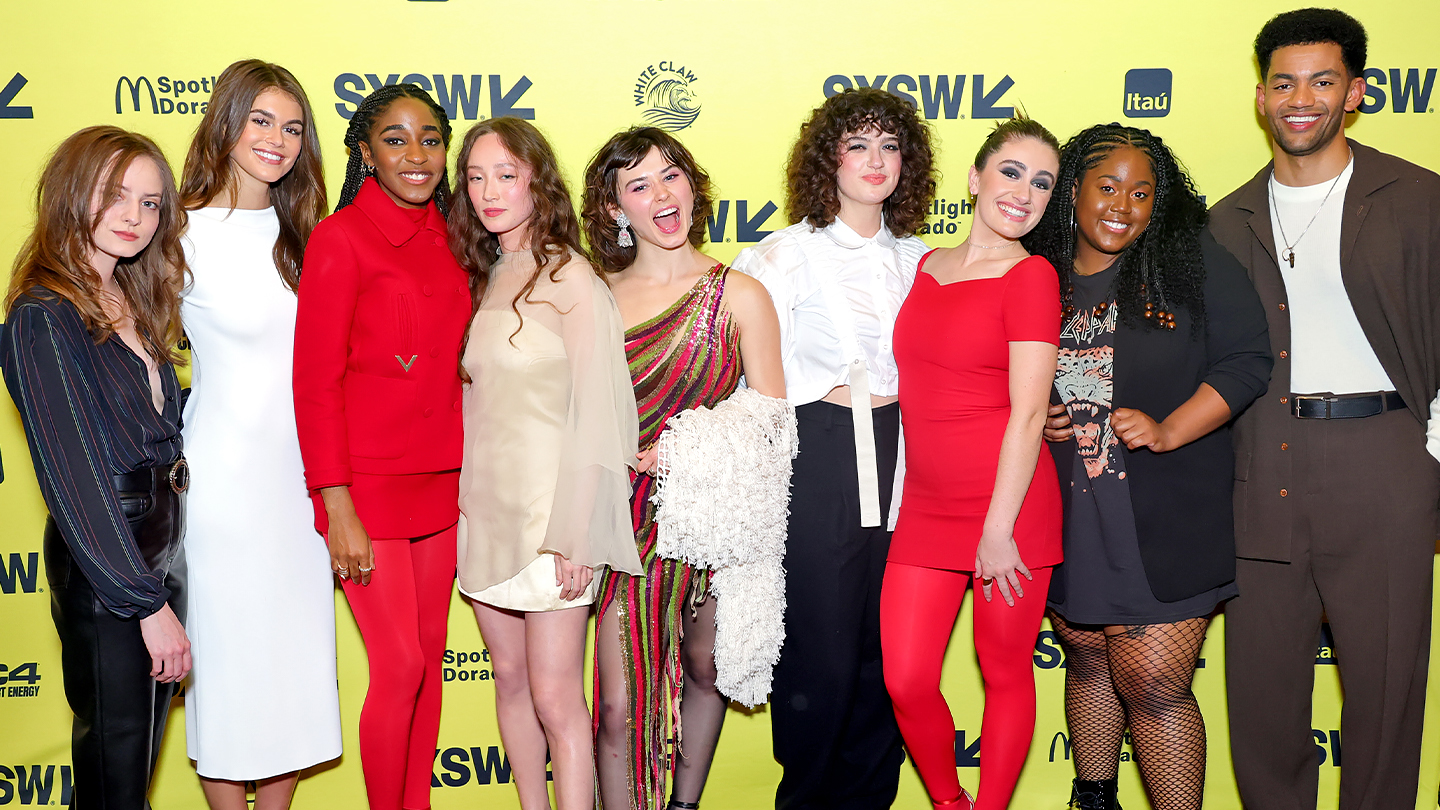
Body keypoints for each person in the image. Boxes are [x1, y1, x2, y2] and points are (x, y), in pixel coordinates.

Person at [1208, 9, 1440, 810]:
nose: (1300, 99)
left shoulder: (1419, 198)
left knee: (1385, 690)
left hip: (1386, 461)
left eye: (1321, 81)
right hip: (1261, 464)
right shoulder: (1222, 220)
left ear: (1356, 93)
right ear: (1261, 97)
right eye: (1283, 82)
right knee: (1262, 699)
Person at [1025, 125, 1272, 810]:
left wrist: (1169, 429)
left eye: (1142, 193)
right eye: (1107, 187)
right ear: (1073, 189)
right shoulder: (1033, 269)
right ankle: (1094, 796)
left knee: (1155, 684)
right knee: (1088, 657)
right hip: (1066, 513)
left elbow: (1248, 359)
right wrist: (1036, 416)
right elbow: (993, 373)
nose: (1123, 206)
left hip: (1162, 513)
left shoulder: (1189, 261)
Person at [731, 86, 935, 810]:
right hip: (818, 456)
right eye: (858, 145)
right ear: (829, 160)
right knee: (821, 649)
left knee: (891, 651)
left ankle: (871, 797)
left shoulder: (924, 261)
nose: (876, 160)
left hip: (910, 456)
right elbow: (750, 385)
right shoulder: (782, 257)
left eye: (890, 145)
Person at [584, 127, 785, 810]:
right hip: (619, 522)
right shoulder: (595, 298)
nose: (661, 194)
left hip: (707, 518)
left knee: (704, 668)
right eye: (638, 185)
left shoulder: (741, 295)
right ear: (615, 209)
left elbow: (771, 422)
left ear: (692, 185)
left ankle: (683, 804)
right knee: (617, 704)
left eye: (670, 175)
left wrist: (684, 447)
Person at [450, 116, 641, 810]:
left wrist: (577, 531)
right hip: (486, 515)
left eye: (506, 174)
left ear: (538, 180)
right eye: (475, 177)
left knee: (560, 701)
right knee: (509, 682)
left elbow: (601, 416)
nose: (489, 191)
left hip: (552, 524)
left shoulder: (574, 278)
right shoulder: (485, 273)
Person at [1, 125, 191, 808]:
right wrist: (146, 603)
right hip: (111, 567)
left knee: (129, 771)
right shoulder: (41, 316)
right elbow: (75, 480)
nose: (134, 216)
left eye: (149, 203)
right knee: (115, 780)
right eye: (115, 195)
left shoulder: (131, 300)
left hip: (159, 553)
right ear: (71, 193)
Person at [291, 83, 468, 810]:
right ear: (365, 152)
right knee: (396, 666)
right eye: (395, 140)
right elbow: (314, 383)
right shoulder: (340, 239)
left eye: (430, 138)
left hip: (445, 486)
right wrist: (337, 505)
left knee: (426, 663)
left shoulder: (456, 236)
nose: (416, 154)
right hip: (365, 491)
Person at [881, 118, 1062, 810]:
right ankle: (950, 802)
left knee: (1006, 671)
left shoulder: (1032, 276)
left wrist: (998, 528)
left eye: (1041, 183)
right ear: (975, 178)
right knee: (906, 678)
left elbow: (1027, 413)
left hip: (1008, 511)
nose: (1024, 192)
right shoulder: (925, 266)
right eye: (1011, 172)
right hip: (926, 508)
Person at [177, 58, 340, 810]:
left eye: (293, 126)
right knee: (231, 674)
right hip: (224, 488)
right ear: (227, 123)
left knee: (291, 678)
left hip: (305, 489)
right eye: (261, 120)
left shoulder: (314, 235)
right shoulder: (177, 231)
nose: (276, 139)